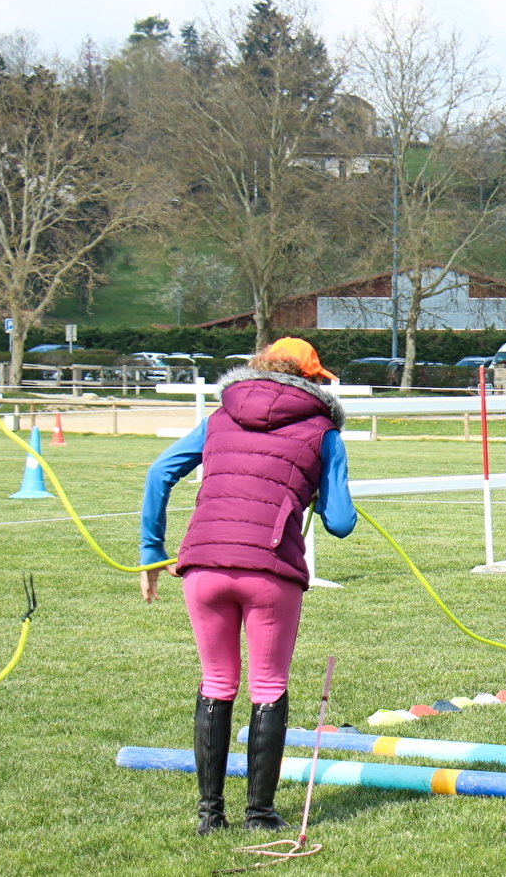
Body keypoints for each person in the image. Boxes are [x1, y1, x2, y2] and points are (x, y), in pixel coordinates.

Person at [139, 337, 356, 835]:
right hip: (270, 571)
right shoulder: (324, 431)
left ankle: (209, 815)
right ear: (313, 380)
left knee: (216, 683)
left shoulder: (218, 417)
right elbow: (340, 523)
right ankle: (259, 813)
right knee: (268, 688)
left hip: (204, 566)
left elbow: (159, 473)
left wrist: (152, 552)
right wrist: (320, 497)